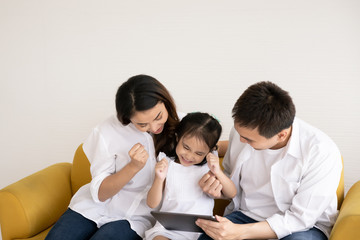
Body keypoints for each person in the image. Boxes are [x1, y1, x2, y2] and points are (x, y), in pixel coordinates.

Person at [196, 81, 342, 240]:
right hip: (246, 216)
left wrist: (239, 233)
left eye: (249, 140)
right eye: (239, 134)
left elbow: (300, 219)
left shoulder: (321, 152)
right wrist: (218, 190)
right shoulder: (242, 134)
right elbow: (233, 188)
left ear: (281, 135)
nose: (240, 141)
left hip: (302, 229)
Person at [45, 74, 180, 240]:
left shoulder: (185, 126)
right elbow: (101, 195)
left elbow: (209, 143)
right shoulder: (106, 131)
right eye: (142, 124)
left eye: (158, 117)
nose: (154, 127)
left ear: (165, 101)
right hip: (92, 207)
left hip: (136, 218)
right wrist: (132, 167)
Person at [145, 112, 237, 240]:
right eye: (186, 147)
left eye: (199, 153)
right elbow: (151, 203)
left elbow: (232, 193)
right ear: (178, 138)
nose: (189, 156)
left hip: (201, 231)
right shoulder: (167, 164)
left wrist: (218, 172)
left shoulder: (209, 166)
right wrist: (159, 179)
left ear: (209, 151)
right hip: (167, 229)